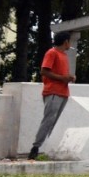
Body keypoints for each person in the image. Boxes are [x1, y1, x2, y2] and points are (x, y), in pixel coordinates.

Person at [27, 31, 75, 160]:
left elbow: (61, 74)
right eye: (69, 41)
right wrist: (62, 78)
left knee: (56, 122)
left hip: (63, 92)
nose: (69, 44)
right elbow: (44, 71)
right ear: (66, 41)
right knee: (49, 120)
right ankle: (35, 147)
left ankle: (51, 149)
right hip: (53, 91)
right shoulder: (52, 52)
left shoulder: (63, 55)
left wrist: (69, 77)